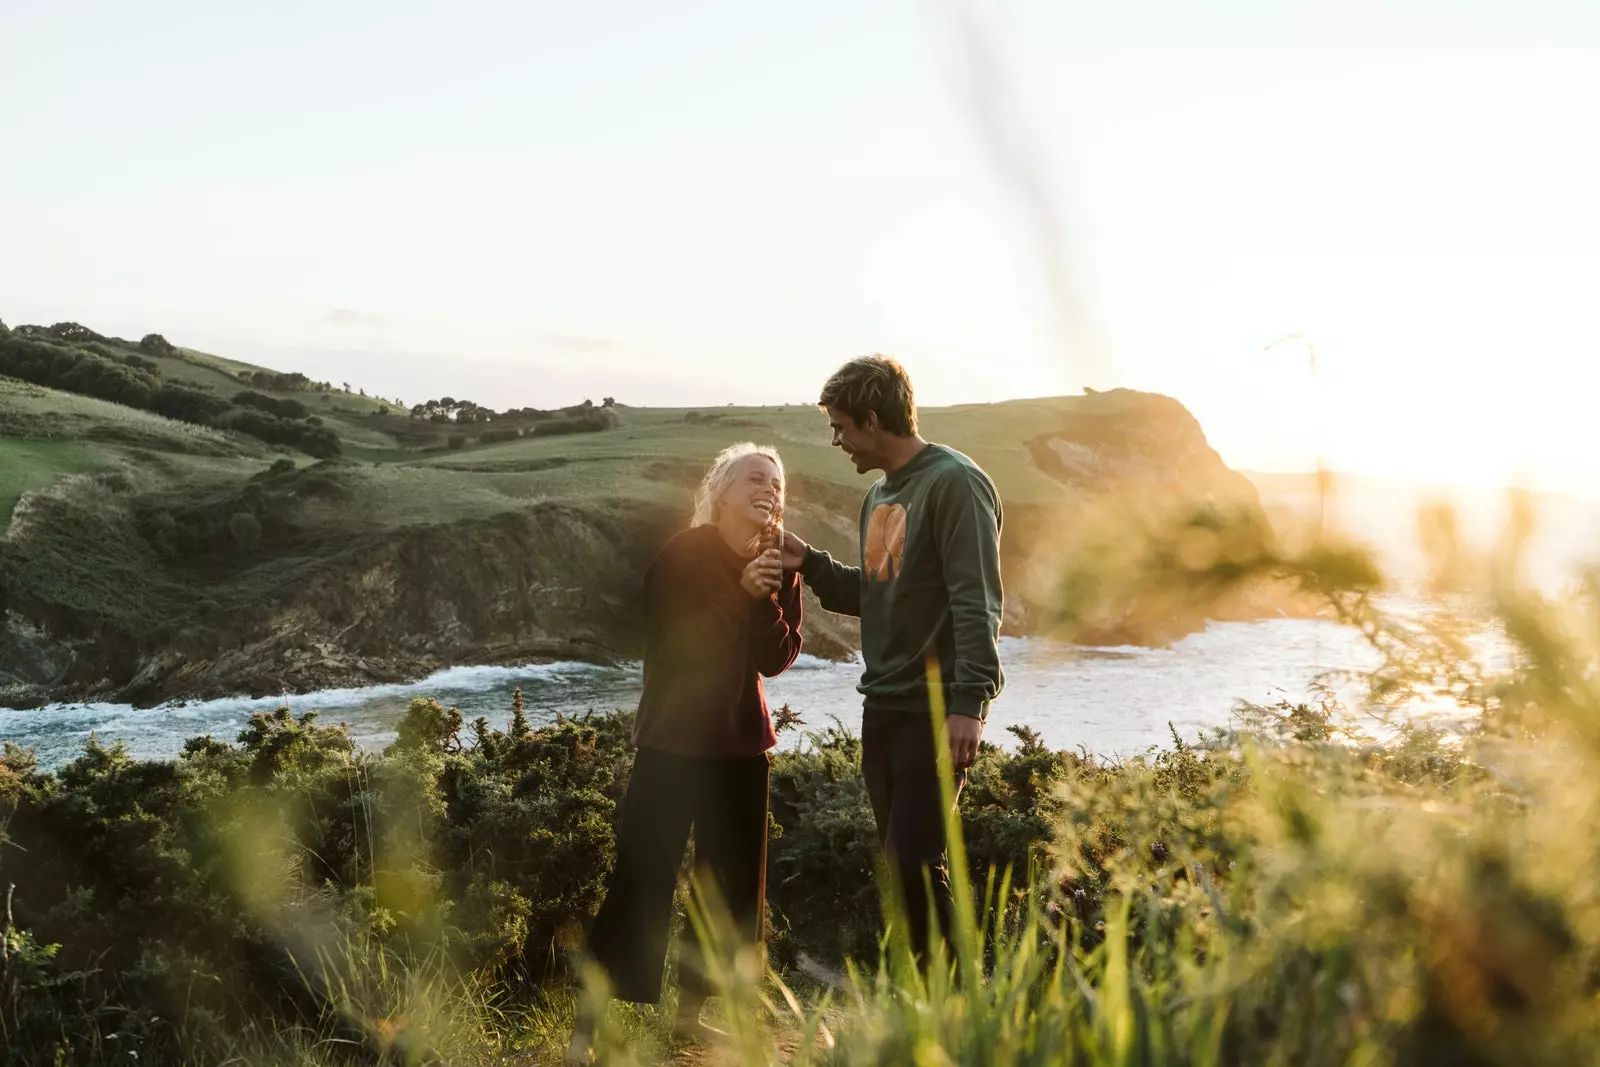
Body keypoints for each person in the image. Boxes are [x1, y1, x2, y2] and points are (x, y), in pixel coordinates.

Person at [567, 443, 801, 1066]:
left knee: (726, 889)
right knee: (642, 875)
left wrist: (764, 598)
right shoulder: (684, 553)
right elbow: (675, 644)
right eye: (756, 477)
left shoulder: (781, 561)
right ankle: (588, 1030)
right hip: (672, 740)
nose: (770, 489)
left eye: (777, 483)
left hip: (742, 747)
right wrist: (739, 594)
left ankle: (690, 1020)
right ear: (722, 491)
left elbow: (775, 660)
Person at [778, 355, 1004, 961]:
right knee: (906, 868)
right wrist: (812, 563)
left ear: (872, 420)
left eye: (841, 426)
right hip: (882, 706)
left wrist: (969, 704)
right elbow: (876, 591)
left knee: (913, 860)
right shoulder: (880, 494)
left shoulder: (955, 483)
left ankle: (956, 1007)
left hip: (933, 711)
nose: (837, 441)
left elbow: (976, 601)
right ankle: (942, 1006)